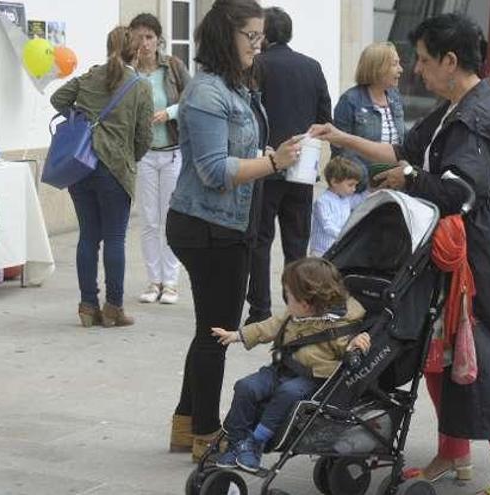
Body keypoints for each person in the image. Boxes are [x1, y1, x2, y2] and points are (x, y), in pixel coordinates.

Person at [310, 13, 490, 495]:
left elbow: (459, 192)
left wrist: (409, 180)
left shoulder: (477, 118)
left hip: (487, 259)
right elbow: (399, 148)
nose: (416, 70)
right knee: (437, 352)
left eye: (422, 60)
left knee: (487, 357)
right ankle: (453, 452)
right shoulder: (452, 108)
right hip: (452, 255)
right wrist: (340, 137)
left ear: (450, 61)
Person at [164, 0, 304, 462]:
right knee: (217, 333)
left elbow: (233, 148)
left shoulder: (234, 85)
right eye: (251, 37)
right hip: (208, 226)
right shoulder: (206, 92)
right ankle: (206, 433)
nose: (258, 46)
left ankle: (186, 423)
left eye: (261, 36)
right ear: (228, 37)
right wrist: (272, 162)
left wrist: (267, 152)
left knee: (209, 328)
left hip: (229, 223)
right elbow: (210, 169)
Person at [211, 257, 370, 472]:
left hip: (313, 378)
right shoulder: (295, 314)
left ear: (305, 304)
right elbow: (270, 326)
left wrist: (356, 344)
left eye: (289, 297)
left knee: (288, 392)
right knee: (245, 386)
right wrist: (238, 335)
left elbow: (350, 350)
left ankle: (256, 441)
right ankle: (237, 443)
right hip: (282, 368)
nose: (287, 302)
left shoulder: (341, 325)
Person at [51, 26, 153, 328]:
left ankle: (87, 305)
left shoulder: (90, 76)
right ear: (135, 50)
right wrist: (128, 155)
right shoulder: (140, 85)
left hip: (81, 167)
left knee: (88, 237)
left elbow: (58, 98)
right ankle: (113, 308)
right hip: (115, 170)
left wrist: (82, 119)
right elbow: (144, 136)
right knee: (116, 239)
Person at [245, 6, 332, 325]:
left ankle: (260, 309)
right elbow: (325, 117)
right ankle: (297, 308)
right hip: (303, 167)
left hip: (265, 163)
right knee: (297, 244)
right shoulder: (312, 67)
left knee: (260, 240)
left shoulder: (257, 65)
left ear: (264, 34)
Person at [128, 13, 192, 305]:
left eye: (149, 37)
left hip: (172, 153)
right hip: (143, 155)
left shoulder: (173, 67)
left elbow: (192, 98)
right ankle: (153, 281)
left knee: (170, 219)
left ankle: (171, 282)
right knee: (148, 220)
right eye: (138, 37)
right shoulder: (128, 71)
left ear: (158, 39)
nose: (144, 43)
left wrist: (170, 113)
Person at [332, 42, 406, 190]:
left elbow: (402, 139)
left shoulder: (395, 96)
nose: (401, 69)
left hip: (395, 183)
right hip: (362, 188)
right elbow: (341, 149)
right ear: (378, 68)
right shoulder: (350, 100)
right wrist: (368, 181)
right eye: (394, 64)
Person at [309, 156, 364, 257]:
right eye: (350, 185)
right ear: (334, 182)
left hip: (337, 249)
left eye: (355, 185)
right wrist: (346, 234)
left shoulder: (346, 199)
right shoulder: (323, 202)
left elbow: (362, 200)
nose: (354, 189)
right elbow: (328, 226)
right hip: (321, 251)